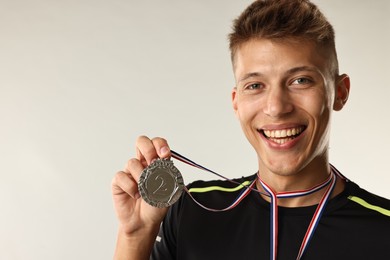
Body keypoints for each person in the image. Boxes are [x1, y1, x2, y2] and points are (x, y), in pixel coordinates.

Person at [111, 0, 390, 259]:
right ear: (237, 102)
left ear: (339, 93)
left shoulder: (383, 230)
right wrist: (134, 237)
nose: (276, 107)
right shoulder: (190, 211)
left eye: (301, 80)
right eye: (255, 86)